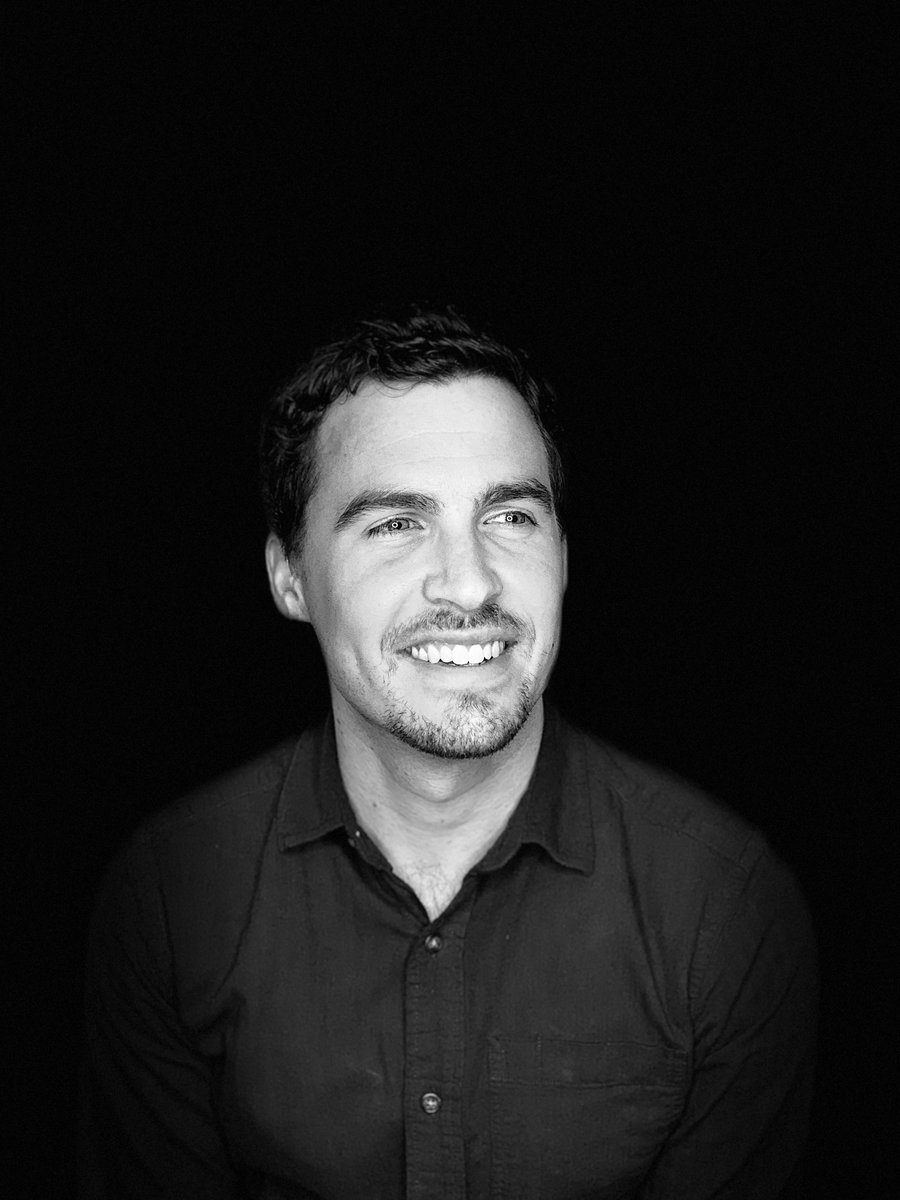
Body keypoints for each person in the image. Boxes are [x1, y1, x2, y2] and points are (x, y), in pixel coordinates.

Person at [78, 307, 818, 1198]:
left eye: (511, 515)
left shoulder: (724, 909)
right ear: (289, 577)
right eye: (396, 524)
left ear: (564, 554)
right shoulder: (173, 898)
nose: (469, 583)